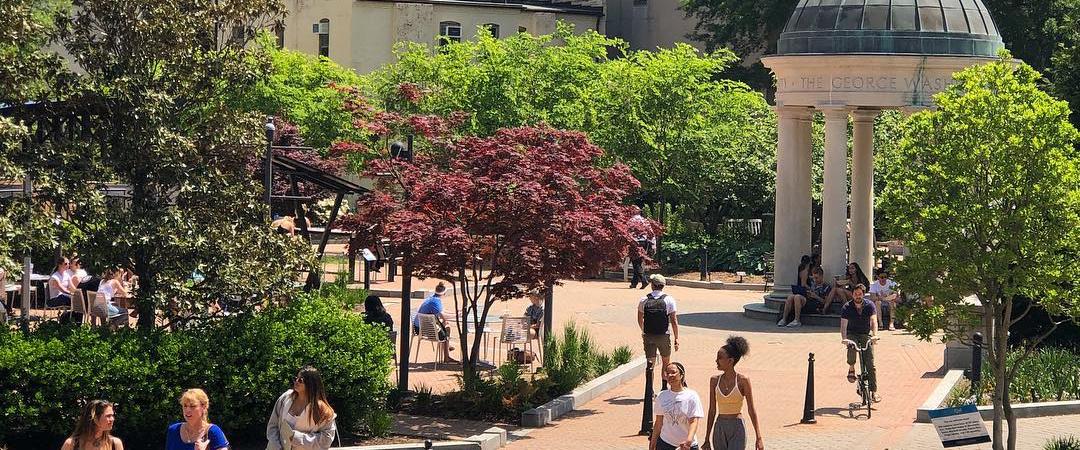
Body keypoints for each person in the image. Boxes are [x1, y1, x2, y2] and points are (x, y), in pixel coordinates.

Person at [703, 336, 763, 450]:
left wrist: (758, 437)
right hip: (719, 426)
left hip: (737, 427)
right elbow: (712, 410)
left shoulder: (743, 380)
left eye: (720, 358)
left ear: (730, 361)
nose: (716, 361)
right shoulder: (714, 380)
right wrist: (706, 438)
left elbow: (751, 409)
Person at [266, 366, 339, 450]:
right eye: (295, 378)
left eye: (301, 380)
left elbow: (326, 440)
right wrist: (276, 446)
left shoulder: (323, 410)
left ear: (310, 384)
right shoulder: (285, 398)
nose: (296, 381)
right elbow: (273, 426)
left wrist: (297, 438)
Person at [650, 362, 705, 450]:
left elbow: (693, 421)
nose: (670, 375)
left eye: (673, 372)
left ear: (681, 375)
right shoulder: (661, 396)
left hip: (687, 445)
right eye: (667, 373)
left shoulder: (692, 396)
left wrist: (688, 441)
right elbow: (658, 422)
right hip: (665, 443)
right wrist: (653, 443)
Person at [840, 284, 880, 403]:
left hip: (865, 333)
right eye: (855, 294)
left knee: (871, 364)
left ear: (863, 294)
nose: (858, 296)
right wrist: (844, 338)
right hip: (852, 333)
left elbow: (873, 321)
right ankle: (851, 367)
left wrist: (874, 335)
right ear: (852, 294)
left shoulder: (870, 305)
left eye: (860, 294)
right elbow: (843, 325)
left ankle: (874, 392)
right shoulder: (847, 307)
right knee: (851, 346)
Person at [639, 274, 679, 390]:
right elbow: (674, 320)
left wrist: (643, 331)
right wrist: (676, 338)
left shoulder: (644, 300)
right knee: (666, 362)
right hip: (663, 335)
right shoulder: (669, 300)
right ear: (663, 285)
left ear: (652, 285)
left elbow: (639, 318)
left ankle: (649, 389)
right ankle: (663, 387)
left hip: (649, 335)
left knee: (650, 364)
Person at [412, 282, 457, 363]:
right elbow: (443, 316)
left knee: (445, 324)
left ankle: (447, 345)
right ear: (444, 293)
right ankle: (446, 355)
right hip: (426, 331)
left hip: (417, 328)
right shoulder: (436, 302)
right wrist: (457, 316)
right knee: (447, 327)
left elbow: (442, 312)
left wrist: (455, 313)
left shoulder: (431, 298)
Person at [628, 206, 655, 289]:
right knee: (638, 261)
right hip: (644, 241)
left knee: (635, 262)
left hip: (634, 241)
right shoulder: (644, 220)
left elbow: (627, 232)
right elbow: (650, 232)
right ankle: (634, 283)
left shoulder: (631, 220)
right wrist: (653, 243)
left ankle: (644, 280)